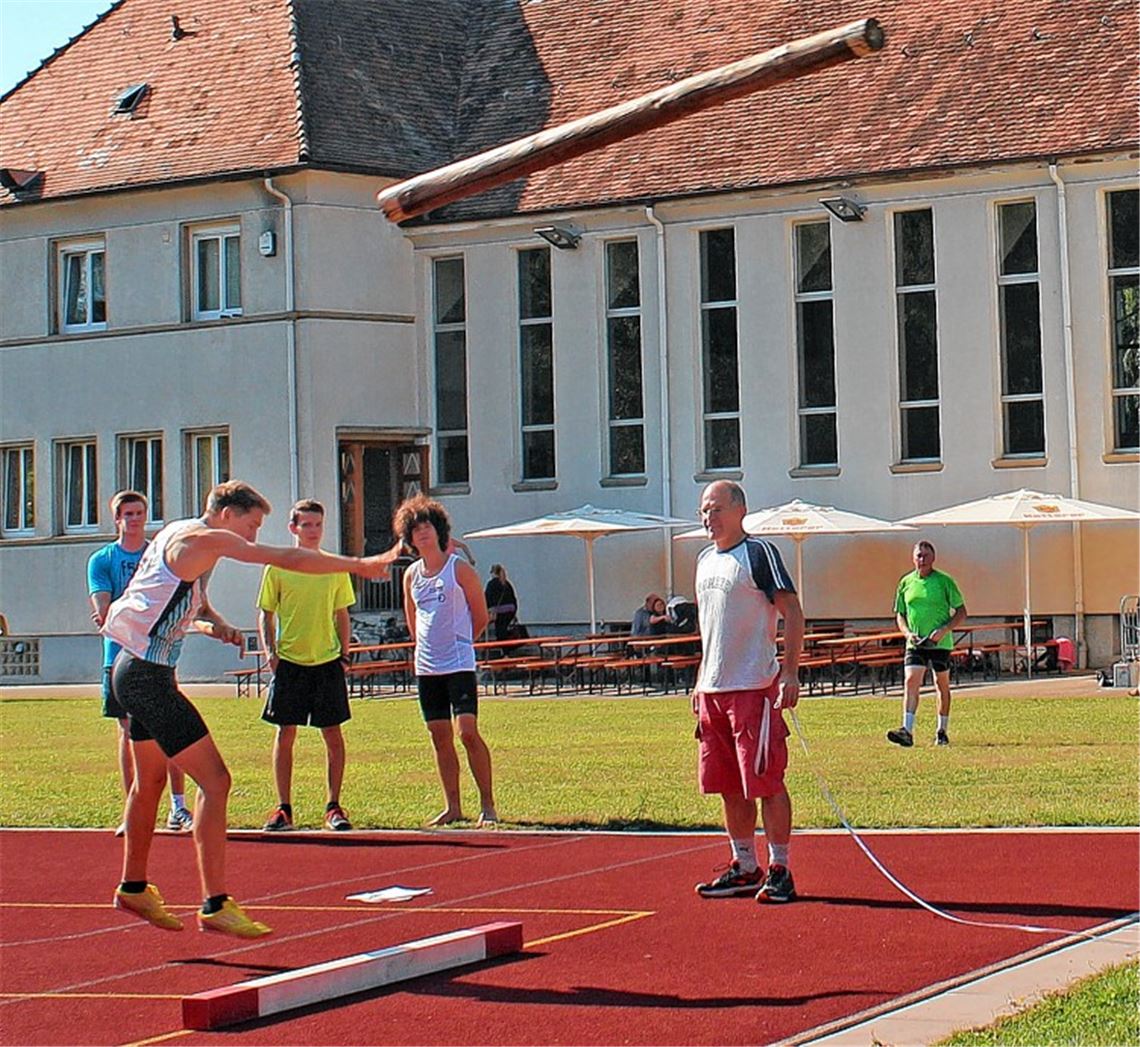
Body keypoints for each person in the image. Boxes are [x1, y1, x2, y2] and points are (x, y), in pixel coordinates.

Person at [102, 480, 398, 937]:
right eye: (252, 524)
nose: (254, 536)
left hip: (134, 669)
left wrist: (213, 622)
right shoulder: (208, 539)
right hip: (145, 677)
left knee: (151, 781)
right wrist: (358, 564)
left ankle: (134, 886)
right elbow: (289, 558)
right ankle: (215, 902)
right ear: (226, 513)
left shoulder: (179, 535)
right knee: (216, 781)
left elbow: (162, 598)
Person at [691, 480, 804, 904]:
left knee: (766, 779)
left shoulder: (759, 554)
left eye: (717, 509)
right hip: (713, 691)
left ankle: (780, 868)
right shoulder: (703, 561)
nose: (709, 518)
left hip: (754, 687)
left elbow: (791, 611)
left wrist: (790, 673)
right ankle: (744, 864)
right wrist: (700, 682)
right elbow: (711, 629)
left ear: (739, 509)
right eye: (704, 510)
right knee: (727, 783)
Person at [88, 491, 192, 835]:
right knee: (128, 732)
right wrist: (111, 612)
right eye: (127, 514)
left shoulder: (157, 554)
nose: (134, 519)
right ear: (117, 518)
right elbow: (103, 607)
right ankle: (133, 810)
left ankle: (178, 807)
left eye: (139, 513)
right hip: (117, 658)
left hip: (155, 658)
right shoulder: (102, 560)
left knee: (168, 729)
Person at [397, 494, 497, 827]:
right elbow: (413, 620)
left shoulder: (460, 569)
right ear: (409, 537)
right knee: (439, 735)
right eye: (415, 529)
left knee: (466, 731)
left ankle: (488, 805)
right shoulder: (411, 575)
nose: (422, 533)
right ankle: (453, 806)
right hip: (427, 666)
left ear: (439, 531)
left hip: (458, 662)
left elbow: (480, 616)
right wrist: (424, 648)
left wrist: (461, 641)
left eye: (427, 526)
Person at [258, 500, 356, 833]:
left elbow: (342, 613)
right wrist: (270, 651)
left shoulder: (334, 566)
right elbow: (266, 613)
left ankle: (333, 806)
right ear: (293, 529)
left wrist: (344, 654)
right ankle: (283, 808)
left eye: (317, 524)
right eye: (306, 525)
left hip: (327, 661)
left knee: (332, 733)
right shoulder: (278, 566)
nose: (312, 531)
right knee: (285, 733)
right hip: (290, 662)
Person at [889, 540, 966, 748]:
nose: (921, 559)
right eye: (918, 555)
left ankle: (942, 730)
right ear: (913, 558)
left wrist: (944, 630)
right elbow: (900, 614)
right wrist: (906, 634)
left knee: (941, 684)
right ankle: (907, 730)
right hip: (916, 643)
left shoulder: (944, 582)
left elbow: (961, 611)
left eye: (925, 555)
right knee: (911, 681)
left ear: (933, 558)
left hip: (939, 643)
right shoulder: (905, 582)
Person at [484, 563, 519, 642]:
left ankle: (505, 652)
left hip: (498, 611)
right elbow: (513, 598)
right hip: (510, 610)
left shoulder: (491, 584)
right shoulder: (507, 583)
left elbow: (487, 597)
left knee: (500, 630)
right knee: (505, 629)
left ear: (493, 572)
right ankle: (507, 650)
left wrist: (487, 609)